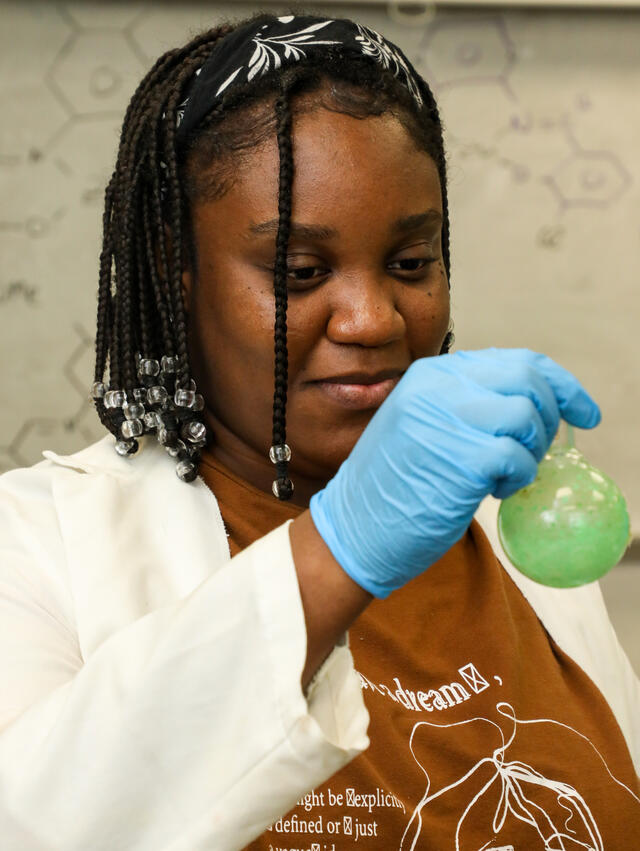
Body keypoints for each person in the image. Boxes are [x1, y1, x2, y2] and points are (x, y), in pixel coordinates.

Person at [0, 11, 638, 850]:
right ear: (175, 273)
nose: (374, 319)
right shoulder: (38, 544)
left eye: (411, 264)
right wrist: (337, 552)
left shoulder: (516, 535)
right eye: (300, 271)